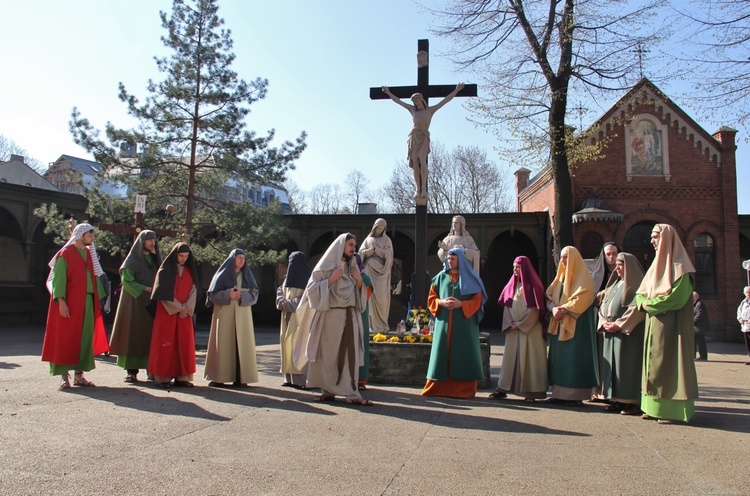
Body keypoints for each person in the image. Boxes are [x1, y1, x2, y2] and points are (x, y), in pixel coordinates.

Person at [293, 233, 372, 405]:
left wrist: (359, 282)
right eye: (350, 245)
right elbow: (311, 291)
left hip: (349, 316)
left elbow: (361, 300)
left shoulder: (354, 269)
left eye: (354, 245)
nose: (353, 248)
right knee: (328, 356)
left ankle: (352, 392)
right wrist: (330, 280)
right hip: (330, 317)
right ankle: (327, 390)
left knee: (349, 356)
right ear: (341, 246)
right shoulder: (326, 267)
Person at [635, 224, 699, 424]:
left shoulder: (681, 268)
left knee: (670, 365)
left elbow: (678, 298)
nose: (652, 241)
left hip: (673, 327)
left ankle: (671, 410)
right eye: (652, 237)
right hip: (654, 323)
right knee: (652, 365)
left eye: (655, 237)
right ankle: (652, 407)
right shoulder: (654, 267)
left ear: (667, 239)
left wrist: (649, 304)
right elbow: (640, 293)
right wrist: (643, 303)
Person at [42, 223, 109, 389]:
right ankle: (64, 377)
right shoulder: (65, 254)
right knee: (66, 339)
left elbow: (94, 278)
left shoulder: (87, 253)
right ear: (80, 235)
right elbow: (58, 280)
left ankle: (79, 376)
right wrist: (62, 302)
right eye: (90, 236)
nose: (92, 239)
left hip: (87, 302)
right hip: (69, 303)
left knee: (84, 339)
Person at [422, 247, 487, 399]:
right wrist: (441, 302)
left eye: (453, 259)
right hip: (443, 322)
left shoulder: (471, 278)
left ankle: (463, 389)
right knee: (441, 352)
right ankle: (437, 388)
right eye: (448, 258)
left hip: (464, 323)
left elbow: (477, 300)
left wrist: (461, 304)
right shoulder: (439, 277)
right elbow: (431, 298)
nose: (450, 261)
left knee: (462, 352)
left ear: (460, 260)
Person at [381, 82, 465, 199]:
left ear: (422, 100)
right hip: (414, 136)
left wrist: (457, 90)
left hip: (424, 136)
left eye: (418, 101)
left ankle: (424, 189)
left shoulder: (430, 111)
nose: (416, 104)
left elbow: (445, 101)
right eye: (415, 102)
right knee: (415, 162)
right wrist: (388, 92)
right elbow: (398, 101)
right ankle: (417, 189)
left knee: (422, 160)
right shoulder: (413, 111)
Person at [545, 246, 599, 406]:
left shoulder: (585, 278)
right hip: (559, 323)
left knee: (574, 359)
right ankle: (558, 394)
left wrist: (564, 309)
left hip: (577, 326)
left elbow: (584, 297)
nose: (563, 260)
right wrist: (553, 308)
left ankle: (575, 395)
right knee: (560, 360)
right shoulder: (559, 278)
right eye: (561, 257)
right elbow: (550, 295)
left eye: (566, 257)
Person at [489, 256, 548, 402]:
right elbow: (507, 305)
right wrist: (511, 323)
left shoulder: (535, 287)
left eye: (518, 267)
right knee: (510, 359)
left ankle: (531, 392)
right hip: (513, 329)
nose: (515, 270)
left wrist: (522, 324)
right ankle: (503, 388)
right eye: (514, 267)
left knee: (529, 359)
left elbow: (536, 309)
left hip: (530, 329)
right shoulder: (511, 286)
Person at [597, 252, 646, 415]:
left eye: (620, 265)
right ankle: (616, 399)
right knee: (612, 366)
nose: (617, 268)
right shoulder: (615, 284)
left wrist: (618, 324)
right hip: (610, 331)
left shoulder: (637, 285)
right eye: (616, 265)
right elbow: (603, 304)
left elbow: (637, 309)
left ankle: (632, 401)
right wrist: (603, 322)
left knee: (627, 365)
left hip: (628, 334)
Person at [109, 230, 161, 383]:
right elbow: (127, 281)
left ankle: (150, 369)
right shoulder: (132, 261)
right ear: (141, 242)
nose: (152, 243)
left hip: (152, 303)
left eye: (154, 240)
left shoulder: (155, 260)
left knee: (150, 336)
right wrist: (146, 289)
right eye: (149, 240)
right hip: (134, 303)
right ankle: (131, 371)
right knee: (133, 335)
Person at [204, 249, 259, 387]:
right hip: (224, 314)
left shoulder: (247, 275)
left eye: (243, 258)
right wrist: (228, 294)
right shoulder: (222, 275)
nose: (242, 260)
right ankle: (219, 377)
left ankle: (241, 378)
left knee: (242, 344)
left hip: (243, 315)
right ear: (232, 259)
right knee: (223, 343)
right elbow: (212, 295)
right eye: (239, 257)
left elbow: (255, 294)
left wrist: (242, 295)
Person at [148, 242, 199, 388]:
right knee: (166, 344)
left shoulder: (190, 271)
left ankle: (183, 377)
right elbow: (162, 293)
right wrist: (178, 308)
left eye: (186, 256)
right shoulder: (164, 270)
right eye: (181, 256)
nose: (183, 259)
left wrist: (187, 309)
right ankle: (163, 377)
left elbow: (194, 291)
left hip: (185, 314)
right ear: (174, 255)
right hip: (167, 313)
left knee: (184, 345)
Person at [275, 251, 311, 388]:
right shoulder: (286, 279)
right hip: (286, 318)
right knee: (287, 345)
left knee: (298, 346)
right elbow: (279, 292)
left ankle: (301, 380)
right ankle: (287, 377)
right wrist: (282, 302)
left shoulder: (308, 279)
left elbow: (307, 298)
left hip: (299, 318)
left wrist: (288, 304)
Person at [358, 218, 393, 334]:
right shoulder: (368, 240)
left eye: (382, 228)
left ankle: (382, 324)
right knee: (370, 296)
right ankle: (370, 325)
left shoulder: (387, 240)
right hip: (369, 270)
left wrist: (377, 250)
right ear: (374, 227)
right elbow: (360, 255)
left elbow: (389, 255)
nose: (380, 230)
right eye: (378, 227)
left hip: (382, 274)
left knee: (382, 298)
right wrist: (369, 251)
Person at [355, 253, 374, 390]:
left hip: (359, 316)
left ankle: (360, 379)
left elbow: (363, 299)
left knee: (360, 345)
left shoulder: (365, 279)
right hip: (347, 316)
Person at [693, 292, 709, 361]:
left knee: (701, 342)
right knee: (695, 342)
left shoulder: (699, 304)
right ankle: (693, 356)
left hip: (699, 327)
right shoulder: (696, 304)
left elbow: (699, 315)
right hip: (697, 327)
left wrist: (692, 321)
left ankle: (703, 356)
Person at [736, 286, 750, 365]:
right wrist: (740, 318)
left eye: (749, 292)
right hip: (745, 326)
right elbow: (739, 311)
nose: (748, 294)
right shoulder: (743, 302)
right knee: (748, 344)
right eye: (747, 292)